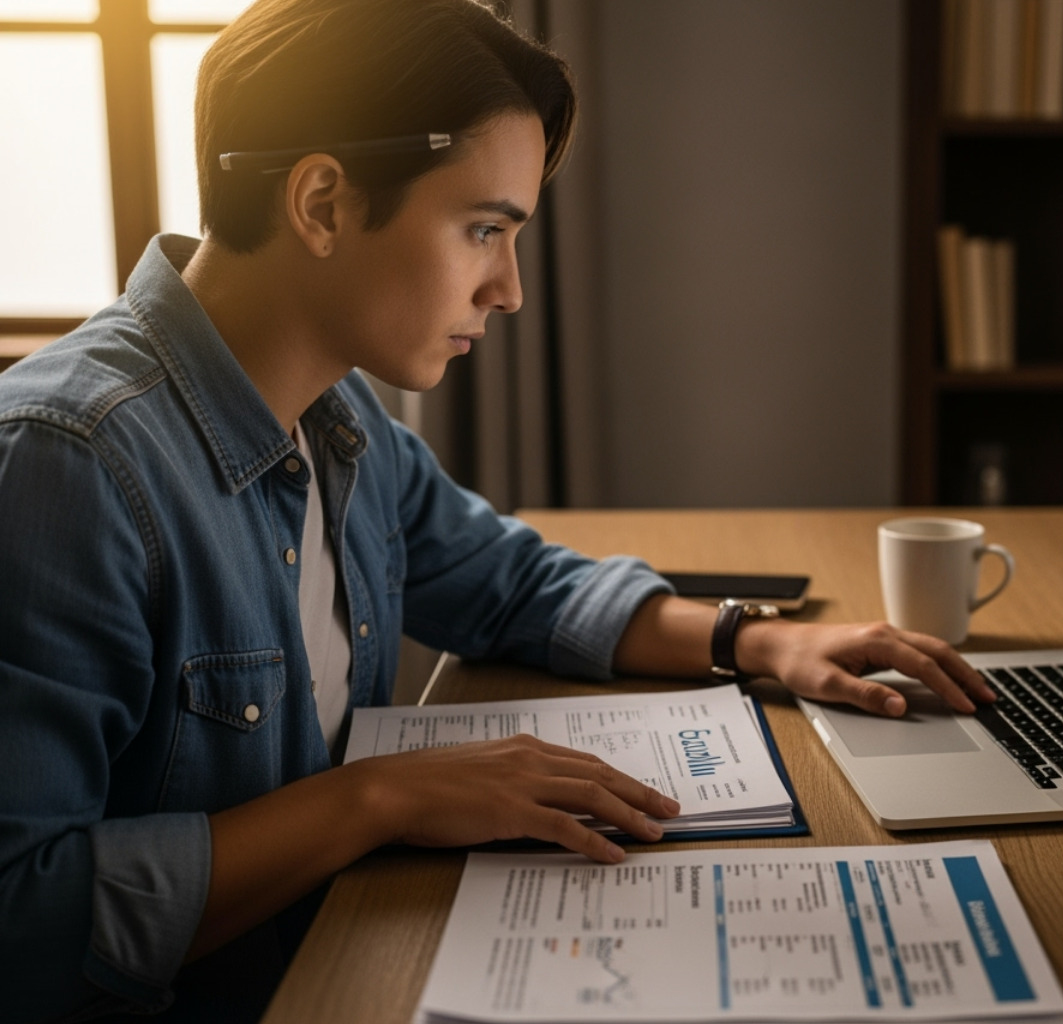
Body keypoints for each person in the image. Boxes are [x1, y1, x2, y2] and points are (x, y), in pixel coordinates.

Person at [0, 0, 993, 1020]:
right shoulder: (66, 467)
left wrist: (760, 642)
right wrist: (377, 798)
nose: (510, 289)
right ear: (324, 203)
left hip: (337, 952)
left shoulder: (338, 415)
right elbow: (20, 921)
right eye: (483, 230)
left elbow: (512, 581)